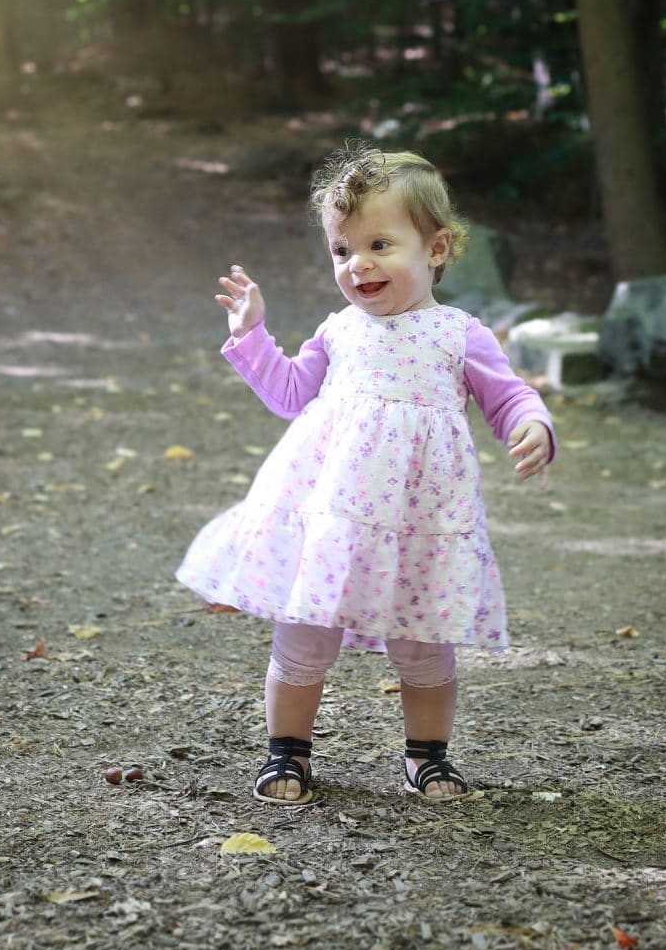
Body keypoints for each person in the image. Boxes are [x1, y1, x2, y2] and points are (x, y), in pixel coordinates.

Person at [176, 141, 555, 805]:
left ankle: (427, 758)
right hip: (332, 519)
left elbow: (509, 397)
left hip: (420, 522)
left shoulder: (458, 334)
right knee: (304, 634)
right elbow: (292, 395)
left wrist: (533, 424)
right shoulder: (338, 331)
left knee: (425, 642)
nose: (359, 265)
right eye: (342, 251)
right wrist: (252, 336)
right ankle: (286, 753)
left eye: (380, 245)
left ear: (435, 250)